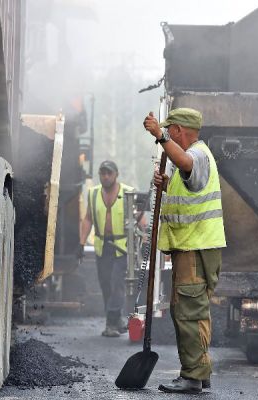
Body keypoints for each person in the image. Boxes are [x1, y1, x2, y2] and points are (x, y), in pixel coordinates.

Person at [143, 108, 226, 394]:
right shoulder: (190, 161)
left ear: (179, 130)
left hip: (195, 247)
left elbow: (184, 161)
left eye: (171, 130)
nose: (169, 134)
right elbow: (189, 192)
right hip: (194, 247)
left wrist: (159, 135)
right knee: (193, 311)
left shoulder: (197, 155)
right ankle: (199, 372)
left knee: (189, 312)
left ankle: (192, 375)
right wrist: (166, 186)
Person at [79, 160, 134, 337]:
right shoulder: (93, 194)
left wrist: (146, 236)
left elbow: (137, 218)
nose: (106, 176)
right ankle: (116, 319)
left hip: (122, 246)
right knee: (105, 285)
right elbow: (88, 218)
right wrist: (81, 243)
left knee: (117, 283)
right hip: (102, 246)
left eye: (109, 173)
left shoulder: (127, 193)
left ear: (116, 174)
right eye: (102, 173)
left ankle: (110, 324)